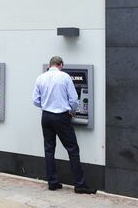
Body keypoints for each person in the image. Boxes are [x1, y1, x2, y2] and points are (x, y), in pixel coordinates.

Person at [33, 56, 96, 194]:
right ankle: (79, 184)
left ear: (50, 65)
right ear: (61, 64)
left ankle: (53, 182)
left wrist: (46, 105)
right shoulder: (65, 77)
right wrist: (72, 110)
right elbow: (74, 99)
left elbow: (35, 101)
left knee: (49, 149)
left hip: (46, 116)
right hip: (61, 117)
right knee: (72, 149)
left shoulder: (40, 78)